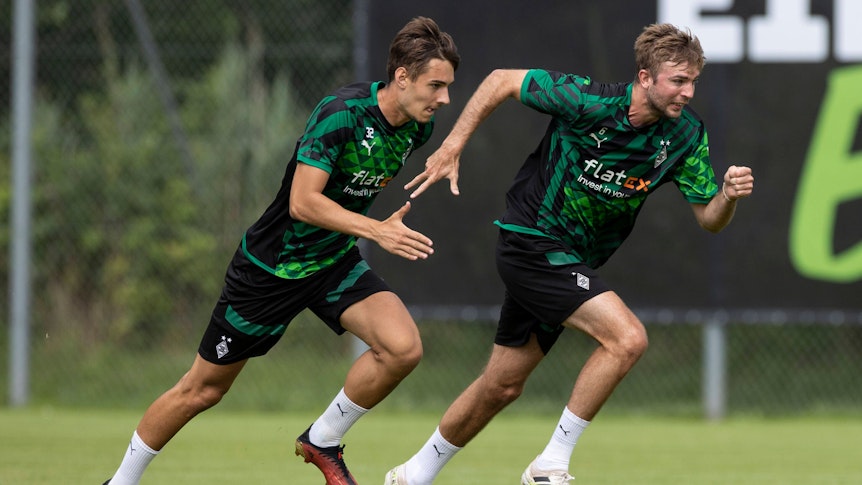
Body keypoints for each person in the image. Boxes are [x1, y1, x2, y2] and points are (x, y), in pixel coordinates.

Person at [384, 23, 754, 485]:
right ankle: (550, 465)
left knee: (501, 386)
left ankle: (410, 475)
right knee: (627, 339)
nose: (688, 92)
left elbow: (708, 217)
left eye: (693, 81)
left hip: (570, 261)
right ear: (644, 77)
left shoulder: (684, 136)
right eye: (678, 81)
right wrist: (453, 144)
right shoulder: (587, 100)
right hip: (531, 242)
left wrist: (728, 196)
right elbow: (501, 80)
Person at [103, 16, 459, 485]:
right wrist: (375, 230)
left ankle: (322, 440)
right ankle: (119, 482)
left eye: (449, 87)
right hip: (270, 269)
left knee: (402, 348)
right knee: (201, 391)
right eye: (436, 85)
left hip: (332, 263)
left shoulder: (416, 130)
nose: (445, 98)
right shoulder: (341, 113)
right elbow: (302, 202)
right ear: (402, 77)